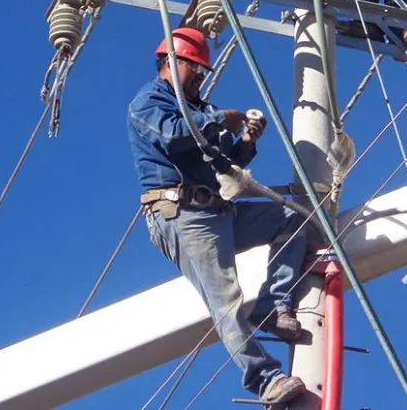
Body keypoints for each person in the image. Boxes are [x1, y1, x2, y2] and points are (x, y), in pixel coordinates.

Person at [126, 27, 307, 406]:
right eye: (196, 69)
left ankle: (272, 306)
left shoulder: (199, 109)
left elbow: (224, 162)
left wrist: (246, 142)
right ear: (172, 63)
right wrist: (221, 119)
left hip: (218, 210)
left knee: (291, 220)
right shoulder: (149, 101)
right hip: (183, 214)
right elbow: (174, 137)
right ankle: (266, 379)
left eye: (203, 72)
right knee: (225, 297)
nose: (200, 77)